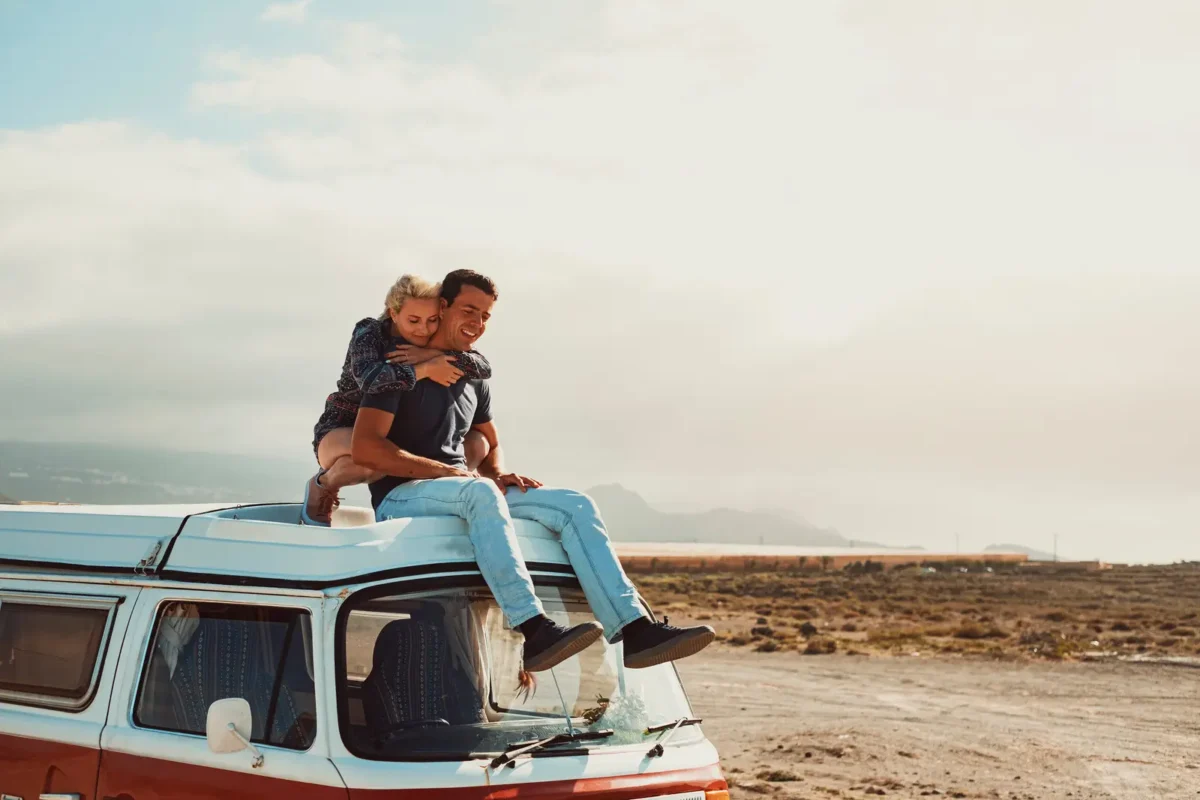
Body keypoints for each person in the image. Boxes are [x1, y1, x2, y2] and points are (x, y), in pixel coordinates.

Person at [351, 269, 715, 673]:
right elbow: (365, 448)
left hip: (461, 491)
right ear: (443, 306)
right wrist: (444, 472)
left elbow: (490, 438)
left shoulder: (473, 377)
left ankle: (635, 629)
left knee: (574, 505)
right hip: (402, 496)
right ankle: (534, 630)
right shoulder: (398, 369)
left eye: (486, 315)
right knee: (480, 492)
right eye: (469, 310)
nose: (478, 322)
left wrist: (497, 471)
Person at [303, 274, 494, 526]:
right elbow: (370, 379)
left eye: (432, 320)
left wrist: (430, 353)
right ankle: (323, 485)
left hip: (392, 433)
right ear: (393, 313)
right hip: (342, 427)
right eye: (413, 320)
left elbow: (483, 367)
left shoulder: (427, 344)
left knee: (474, 444)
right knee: (375, 464)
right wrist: (425, 369)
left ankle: (452, 485)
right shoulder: (370, 333)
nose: (423, 329)